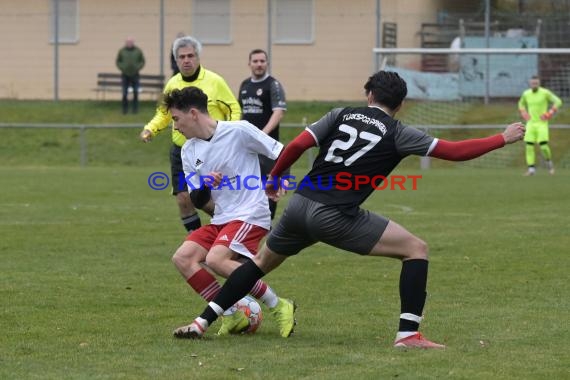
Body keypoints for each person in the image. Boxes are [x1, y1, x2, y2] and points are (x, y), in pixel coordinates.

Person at [174, 71, 526, 348]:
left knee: (258, 264)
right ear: (399, 106)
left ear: (369, 96)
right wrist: (502, 138)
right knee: (416, 249)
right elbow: (454, 151)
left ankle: (202, 321)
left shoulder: (342, 113)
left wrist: (275, 178)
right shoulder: (398, 131)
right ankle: (408, 335)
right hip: (335, 216)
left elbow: (296, 144)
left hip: (299, 206)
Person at [163, 86, 295, 337]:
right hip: (222, 217)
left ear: (193, 113)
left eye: (176, 119)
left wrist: (280, 179)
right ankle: (232, 314)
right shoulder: (188, 150)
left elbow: (281, 152)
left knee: (216, 259)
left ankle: (279, 305)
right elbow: (197, 198)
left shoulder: (238, 130)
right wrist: (205, 185)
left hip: (250, 213)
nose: (175, 127)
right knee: (183, 258)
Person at [140, 35, 241, 233]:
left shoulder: (215, 81)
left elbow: (233, 109)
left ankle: (233, 226)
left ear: (198, 57)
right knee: (183, 198)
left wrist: (229, 135)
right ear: (175, 60)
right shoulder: (172, 84)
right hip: (182, 150)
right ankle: (196, 241)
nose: (186, 60)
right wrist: (150, 128)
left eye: (190, 56)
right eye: (182, 57)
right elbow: (163, 114)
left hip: (211, 149)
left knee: (204, 199)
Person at [238, 49, 287, 220]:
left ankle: (267, 224)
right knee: (248, 187)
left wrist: (261, 136)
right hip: (248, 148)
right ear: (249, 63)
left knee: (269, 188)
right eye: (255, 61)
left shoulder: (273, 85)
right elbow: (240, 113)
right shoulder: (244, 85)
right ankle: (250, 224)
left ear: (267, 63)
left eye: (262, 61)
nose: (259, 64)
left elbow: (279, 112)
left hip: (267, 148)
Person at [518, 75, 562, 176]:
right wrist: (524, 113)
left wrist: (549, 113)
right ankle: (531, 169)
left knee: (543, 147)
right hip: (531, 124)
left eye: (536, 83)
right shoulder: (526, 94)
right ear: (530, 83)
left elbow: (558, 101)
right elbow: (520, 104)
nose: (534, 85)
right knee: (529, 146)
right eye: (533, 83)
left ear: (539, 83)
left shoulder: (545, 92)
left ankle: (549, 163)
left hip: (542, 124)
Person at [116, 37, 145, 114]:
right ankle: (124, 110)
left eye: (131, 42)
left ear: (133, 43)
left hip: (135, 74)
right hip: (125, 75)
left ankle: (135, 110)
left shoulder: (138, 51)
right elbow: (118, 61)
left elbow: (142, 61)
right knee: (124, 93)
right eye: (128, 42)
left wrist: (137, 67)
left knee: (135, 92)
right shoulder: (121, 51)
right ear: (126, 43)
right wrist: (122, 68)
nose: (129, 44)